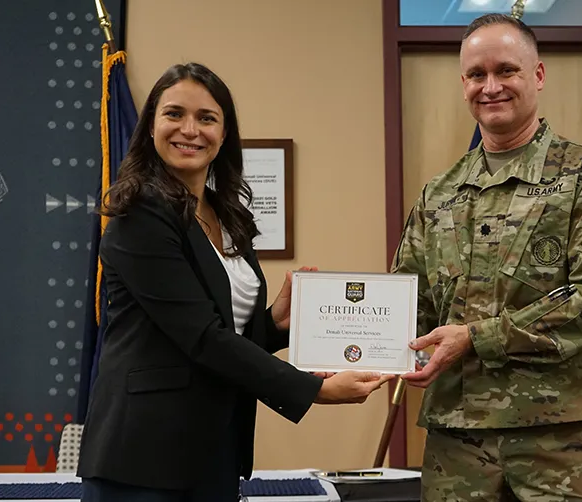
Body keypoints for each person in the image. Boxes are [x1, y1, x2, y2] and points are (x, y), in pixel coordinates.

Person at [77, 62, 393, 501]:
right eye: (174, 114)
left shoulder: (228, 217)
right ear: (151, 125)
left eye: (207, 118)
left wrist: (276, 323)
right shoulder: (141, 215)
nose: (190, 129)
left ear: (223, 135)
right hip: (144, 457)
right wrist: (314, 390)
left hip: (212, 450)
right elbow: (203, 339)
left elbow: (226, 332)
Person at [392, 13, 582, 502]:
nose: (491, 86)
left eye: (507, 70)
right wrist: (355, 349)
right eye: (476, 75)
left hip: (562, 438)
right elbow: (408, 302)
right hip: (457, 444)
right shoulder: (439, 194)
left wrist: (476, 338)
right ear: (463, 84)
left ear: (538, 76)